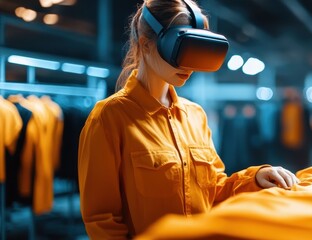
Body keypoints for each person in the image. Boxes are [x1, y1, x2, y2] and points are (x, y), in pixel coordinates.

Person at [77, 0, 299, 238]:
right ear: (146, 45)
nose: (189, 65)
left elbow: (214, 191)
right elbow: (102, 220)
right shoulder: (109, 118)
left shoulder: (195, 116)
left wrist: (254, 178)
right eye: (180, 49)